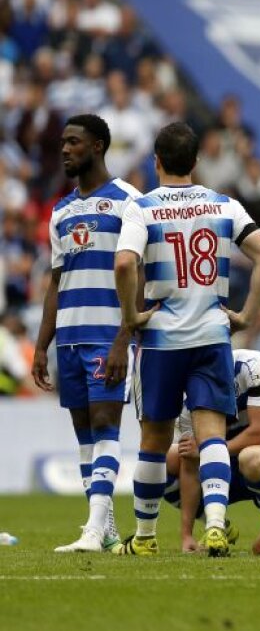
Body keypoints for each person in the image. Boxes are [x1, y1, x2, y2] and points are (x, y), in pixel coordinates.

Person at [112, 122, 260, 557]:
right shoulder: (224, 204)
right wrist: (245, 314)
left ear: (157, 162)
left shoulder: (142, 208)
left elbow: (125, 265)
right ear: (197, 162)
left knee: (153, 439)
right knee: (211, 436)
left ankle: (145, 539)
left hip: (163, 339)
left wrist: (132, 315)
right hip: (211, 335)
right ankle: (217, 528)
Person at [31, 115, 141, 553]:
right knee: (84, 434)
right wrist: (42, 345)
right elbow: (56, 282)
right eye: (62, 142)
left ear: (97, 146)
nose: (64, 149)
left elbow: (142, 275)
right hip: (71, 339)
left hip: (107, 335)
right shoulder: (61, 211)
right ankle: (106, 527)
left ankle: (93, 531)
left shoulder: (130, 202)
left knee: (105, 423)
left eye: (73, 142)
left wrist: (124, 337)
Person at [162, 348, 260, 553]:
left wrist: (208, 450)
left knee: (251, 458)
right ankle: (217, 524)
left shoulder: (253, 365)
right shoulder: (190, 399)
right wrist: (186, 535)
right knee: (165, 461)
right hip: (227, 470)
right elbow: (190, 467)